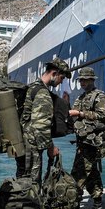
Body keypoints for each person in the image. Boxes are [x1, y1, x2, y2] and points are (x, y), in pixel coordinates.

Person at [18, 57, 70, 186]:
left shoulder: (32, 87)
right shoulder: (42, 93)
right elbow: (41, 126)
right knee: (32, 185)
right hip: (32, 146)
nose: (60, 82)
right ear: (54, 74)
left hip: (23, 143)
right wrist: (51, 148)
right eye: (61, 78)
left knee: (22, 181)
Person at [69, 67, 105, 209]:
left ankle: (73, 207)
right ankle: (97, 204)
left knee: (78, 174)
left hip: (92, 142)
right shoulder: (81, 97)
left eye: (85, 80)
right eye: (81, 80)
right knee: (91, 173)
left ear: (92, 80)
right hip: (82, 140)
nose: (82, 82)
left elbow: (102, 116)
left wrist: (80, 113)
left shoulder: (100, 97)